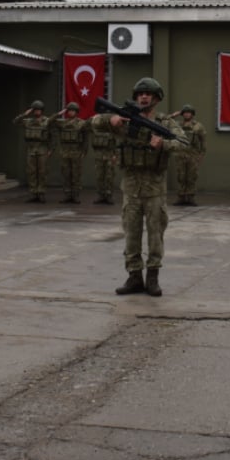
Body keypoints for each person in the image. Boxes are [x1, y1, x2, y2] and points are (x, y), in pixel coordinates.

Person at [92, 77, 186, 297]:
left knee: (155, 235)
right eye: (140, 93)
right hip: (131, 188)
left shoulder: (164, 122)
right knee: (131, 235)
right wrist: (111, 120)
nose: (144, 96)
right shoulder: (124, 119)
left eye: (148, 94)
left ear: (156, 98)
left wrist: (163, 144)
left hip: (154, 189)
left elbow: (183, 144)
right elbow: (94, 123)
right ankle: (134, 277)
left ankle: (152, 278)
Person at [12, 100, 52, 203]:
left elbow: (52, 136)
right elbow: (15, 121)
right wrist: (25, 114)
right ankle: (34, 193)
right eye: (35, 110)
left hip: (42, 149)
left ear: (42, 111)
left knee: (42, 172)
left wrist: (51, 149)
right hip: (31, 149)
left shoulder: (46, 121)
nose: (36, 112)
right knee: (31, 172)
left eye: (38, 110)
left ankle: (41, 193)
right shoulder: (28, 121)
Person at [51, 102, 89, 203]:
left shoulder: (81, 123)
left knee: (76, 174)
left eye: (73, 111)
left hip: (76, 151)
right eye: (69, 111)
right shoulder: (63, 123)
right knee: (66, 174)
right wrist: (59, 114)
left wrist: (84, 151)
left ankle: (75, 195)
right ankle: (67, 195)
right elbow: (49, 122)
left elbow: (85, 138)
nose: (70, 112)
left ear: (76, 112)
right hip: (65, 152)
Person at [172, 104, 206, 206]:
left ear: (192, 114)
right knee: (181, 176)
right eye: (185, 112)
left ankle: (190, 197)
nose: (187, 114)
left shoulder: (198, 126)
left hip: (193, 155)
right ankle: (181, 197)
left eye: (189, 113)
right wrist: (173, 115)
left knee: (191, 177)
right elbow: (164, 122)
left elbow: (203, 141)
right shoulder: (177, 125)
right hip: (180, 154)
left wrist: (201, 155)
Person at [90, 112, 118, 205]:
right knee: (99, 176)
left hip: (109, 154)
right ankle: (100, 195)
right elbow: (86, 125)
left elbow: (117, 143)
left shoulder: (113, 129)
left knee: (109, 176)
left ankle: (109, 195)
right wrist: (94, 118)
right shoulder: (95, 128)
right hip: (99, 155)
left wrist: (115, 155)